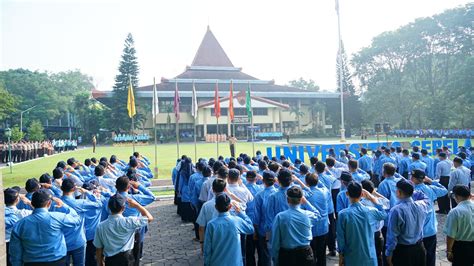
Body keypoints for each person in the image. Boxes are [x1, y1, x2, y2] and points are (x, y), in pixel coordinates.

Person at [9, 189, 81, 266]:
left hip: (32, 262)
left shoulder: (20, 224)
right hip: (57, 261)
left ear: (32, 203)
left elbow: (15, 253)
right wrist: (64, 205)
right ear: (49, 203)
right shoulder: (57, 217)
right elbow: (77, 220)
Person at [94, 194, 154, 266]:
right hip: (127, 259)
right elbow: (149, 218)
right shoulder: (129, 221)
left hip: (110, 260)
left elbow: (99, 248)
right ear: (123, 208)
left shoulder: (101, 226)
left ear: (109, 207)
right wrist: (137, 205)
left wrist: (100, 263)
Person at [336, 181, 387, 266]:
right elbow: (384, 214)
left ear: (347, 193)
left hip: (352, 257)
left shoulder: (343, 214)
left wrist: (341, 255)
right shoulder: (370, 211)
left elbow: (340, 238)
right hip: (370, 257)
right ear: (362, 194)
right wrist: (373, 199)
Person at [271, 186, 321, 266]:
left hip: (287, 256)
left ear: (287, 200)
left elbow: (275, 242)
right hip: (305, 254)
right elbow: (318, 215)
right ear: (301, 200)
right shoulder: (308, 215)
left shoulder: (280, 217)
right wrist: (306, 202)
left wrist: (275, 259)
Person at [385, 179, 430, 266]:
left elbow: (392, 235)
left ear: (399, 192)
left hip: (403, 251)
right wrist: (413, 191)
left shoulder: (396, 210)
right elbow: (426, 198)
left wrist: (389, 253)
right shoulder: (422, 205)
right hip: (419, 248)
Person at [203, 193, 254, 266]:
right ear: (230, 206)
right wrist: (241, 213)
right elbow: (251, 229)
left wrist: (207, 263)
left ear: (215, 207)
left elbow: (207, 248)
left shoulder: (211, 224)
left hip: (216, 262)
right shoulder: (237, 221)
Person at [410, 169, 448, 266]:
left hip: (417, 231)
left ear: (414, 178)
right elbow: (444, 190)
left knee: (418, 258)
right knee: (430, 256)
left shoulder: (412, 192)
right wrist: (431, 181)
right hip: (430, 229)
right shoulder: (430, 188)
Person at [305, 173, 331, 266]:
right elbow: (324, 186)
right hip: (323, 227)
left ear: (306, 183)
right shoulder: (324, 191)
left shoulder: (306, 195)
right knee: (322, 254)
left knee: (312, 255)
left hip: (311, 228)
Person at [443, 185, 474, 265]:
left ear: (456, 196)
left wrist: (449, 250)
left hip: (462, 247)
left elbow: (451, 235)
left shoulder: (455, 212)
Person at [253, 171, 278, 266]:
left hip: (264, 230)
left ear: (263, 180)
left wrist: (255, 230)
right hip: (277, 229)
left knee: (265, 255)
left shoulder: (260, 195)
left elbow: (256, 217)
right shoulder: (279, 193)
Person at [4, 187, 33, 266]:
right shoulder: (21, 213)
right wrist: (28, 202)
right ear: (17, 200)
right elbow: (39, 211)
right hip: (16, 243)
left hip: (3, 243)